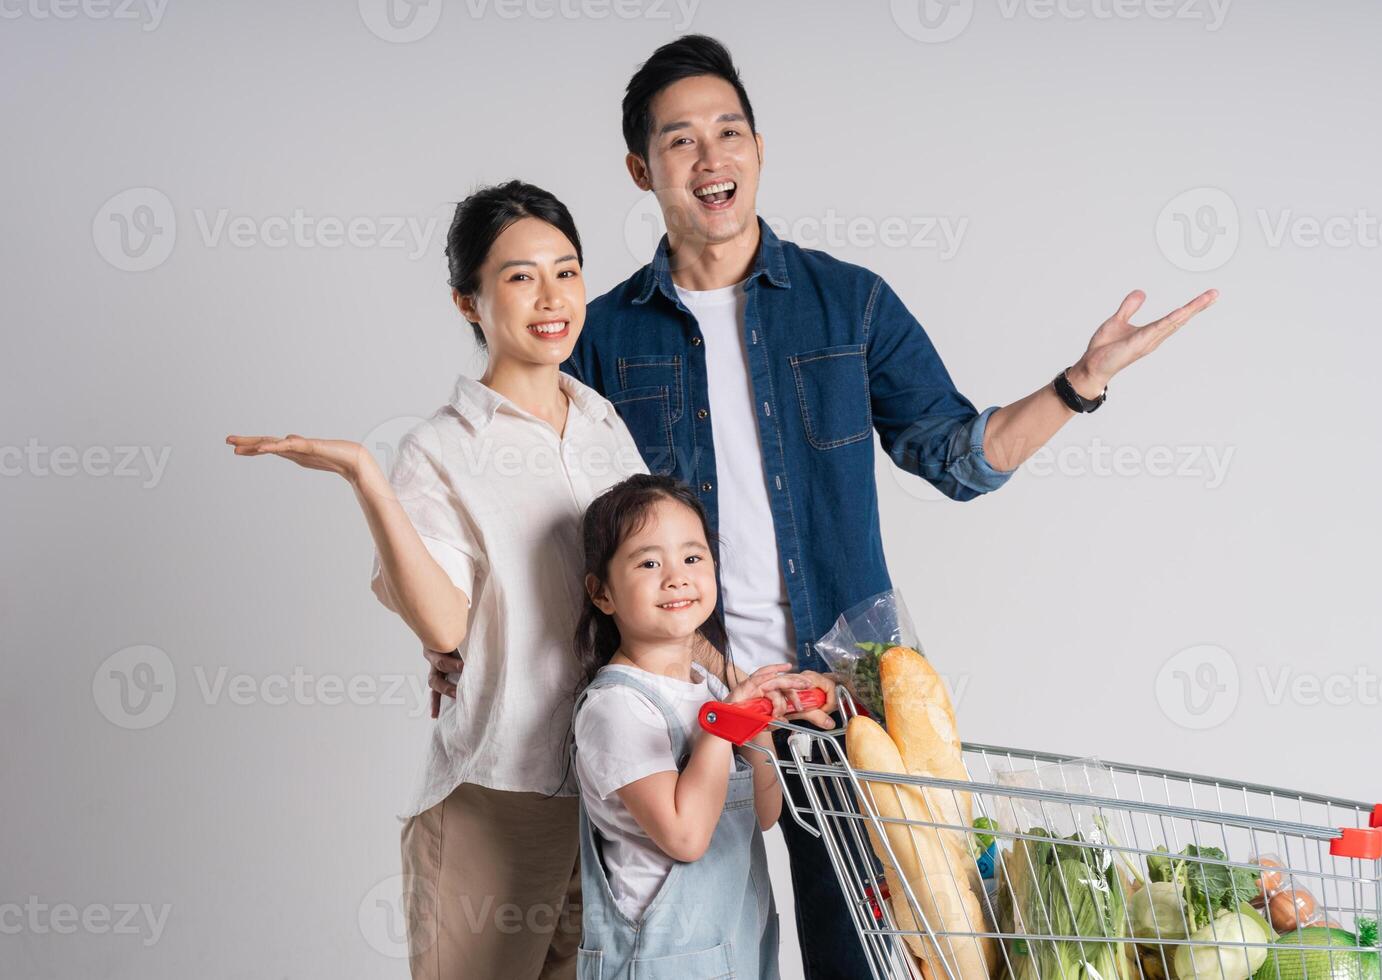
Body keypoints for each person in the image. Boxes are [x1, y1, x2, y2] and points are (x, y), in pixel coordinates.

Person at [558, 34, 1221, 980]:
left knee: (863, 958)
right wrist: (460, 641)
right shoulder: (606, 335)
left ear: (757, 147)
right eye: (680, 141)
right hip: (684, 703)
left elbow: (959, 456)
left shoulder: (847, 305)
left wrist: (1079, 383)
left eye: (729, 131)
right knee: (694, 953)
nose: (712, 159)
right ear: (641, 168)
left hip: (840, 705)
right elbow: (556, 509)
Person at [227, 181, 643, 980]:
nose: (552, 297)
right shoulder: (440, 449)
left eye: (568, 270)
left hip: (615, 792)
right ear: (468, 301)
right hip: (501, 794)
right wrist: (366, 479)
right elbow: (446, 629)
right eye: (521, 276)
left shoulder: (605, 425)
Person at [569, 473, 814, 979]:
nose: (676, 577)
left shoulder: (710, 687)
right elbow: (685, 837)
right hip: (661, 963)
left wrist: (757, 720)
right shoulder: (617, 708)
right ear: (602, 593)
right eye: (649, 562)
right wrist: (722, 730)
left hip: (740, 950)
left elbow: (765, 813)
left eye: (693, 557)